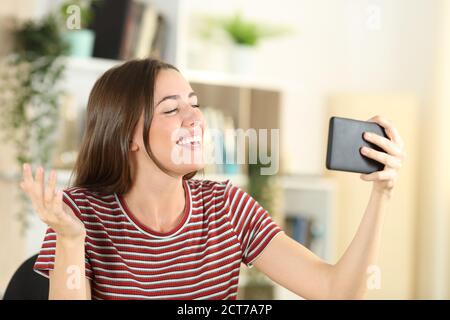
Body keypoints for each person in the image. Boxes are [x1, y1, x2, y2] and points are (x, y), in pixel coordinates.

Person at [20, 58, 405, 300]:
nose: (195, 119)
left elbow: (336, 291)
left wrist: (382, 193)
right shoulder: (79, 213)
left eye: (195, 103)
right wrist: (71, 240)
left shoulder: (226, 206)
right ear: (129, 136)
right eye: (172, 109)